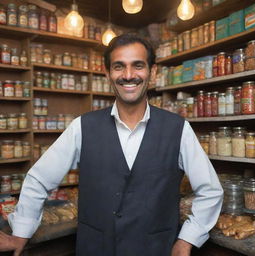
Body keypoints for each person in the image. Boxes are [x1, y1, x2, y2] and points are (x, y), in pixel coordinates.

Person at [0, 33, 223, 256]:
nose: (128, 75)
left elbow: (211, 191)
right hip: (96, 248)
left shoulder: (178, 128)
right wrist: (21, 231)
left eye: (137, 66)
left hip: (156, 249)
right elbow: (38, 179)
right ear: (107, 73)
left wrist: (187, 240)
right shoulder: (82, 127)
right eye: (119, 66)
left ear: (152, 72)